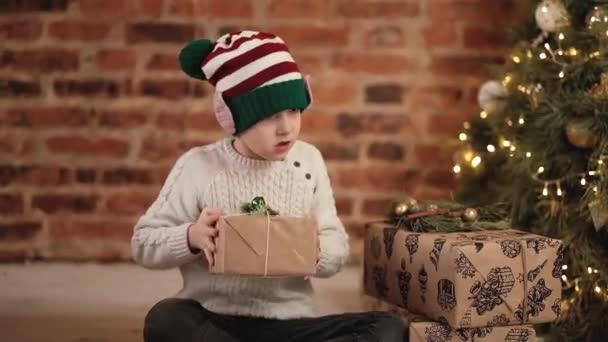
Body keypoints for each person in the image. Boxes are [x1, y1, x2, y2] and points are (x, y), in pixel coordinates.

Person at [131, 30, 404, 342]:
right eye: (270, 116)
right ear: (234, 118)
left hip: (289, 324)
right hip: (216, 319)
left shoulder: (309, 162)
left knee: (388, 328)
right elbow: (143, 243)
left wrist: (315, 252)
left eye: (293, 110)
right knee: (165, 318)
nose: (286, 128)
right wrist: (191, 236)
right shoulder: (198, 166)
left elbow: (337, 246)